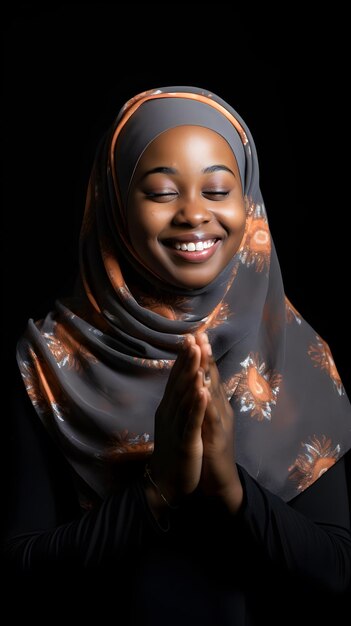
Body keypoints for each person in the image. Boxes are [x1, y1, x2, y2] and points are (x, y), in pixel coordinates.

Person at [3, 86, 351, 625]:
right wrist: (158, 487)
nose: (194, 214)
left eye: (217, 189)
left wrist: (229, 486)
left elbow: (334, 570)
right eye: (163, 192)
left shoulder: (295, 352)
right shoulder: (47, 363)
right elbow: (19, 573)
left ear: (248, 201)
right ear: (116, 202)